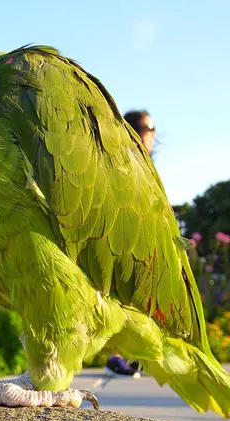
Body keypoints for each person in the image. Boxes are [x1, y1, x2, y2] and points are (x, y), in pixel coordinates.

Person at [105, 110, 157, 377]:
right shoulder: (121, 160)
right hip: (120, 239)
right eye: (150, 128)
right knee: (116, 293)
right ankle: (115, 357)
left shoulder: (146, 164)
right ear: (136, 131)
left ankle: (128, 355)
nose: (154, 134)